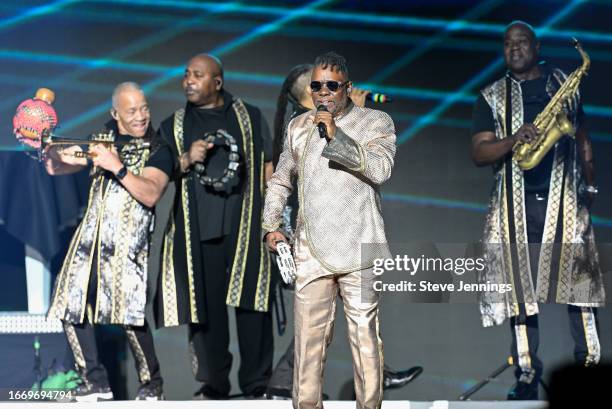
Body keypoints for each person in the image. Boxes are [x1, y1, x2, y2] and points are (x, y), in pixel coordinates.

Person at [266, 64, 421, 400]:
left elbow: (380, 169)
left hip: (358, 245)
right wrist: (271, 226)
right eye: (315, 86)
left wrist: (341, 130)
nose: (323, 92)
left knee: (365, 337)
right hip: (312, 246)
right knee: (308, 341)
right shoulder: (297, 128)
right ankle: (289, 391)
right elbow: (278, 179)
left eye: (331, 85)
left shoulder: (375, 121)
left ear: (346, 86)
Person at [471, 21, 605, 400]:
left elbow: (581, 134)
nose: (514, 49)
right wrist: (514, 139)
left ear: (536, 45)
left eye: (521, 42)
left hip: (566, 199)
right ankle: (526, 375)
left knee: (580, 287)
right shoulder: (491, 96)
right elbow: (479, 152)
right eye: (507, 43)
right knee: (518, 291)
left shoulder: (564, 83)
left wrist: (590, 183)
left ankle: (590, 371)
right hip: (514, 208)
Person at [156, 53, 274, 399]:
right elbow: (160, 175)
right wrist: (185, 158)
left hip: (245, 225)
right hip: (199, 231)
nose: (188, 81)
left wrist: (275, 219)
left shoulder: (249, 117)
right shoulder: (173, 125)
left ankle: (256, 384)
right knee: (205, 313)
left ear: (217, 82)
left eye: (197, 75)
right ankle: (214, 385)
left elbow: (267, 167)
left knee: (253, 305)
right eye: (186, 74)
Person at [46, 82, 173, 401]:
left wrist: (116, 165)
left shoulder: (159, 149)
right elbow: (59, 164)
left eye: (144, 107)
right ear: (116, 113)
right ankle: (93, 380)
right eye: (132, 111)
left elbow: (151, 192)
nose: (141, 116)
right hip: (89, 240)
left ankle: (152, 383)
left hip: (127, 243)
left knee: (127, 311)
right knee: (70, 301)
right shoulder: (100, 142)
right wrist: (44, 146)